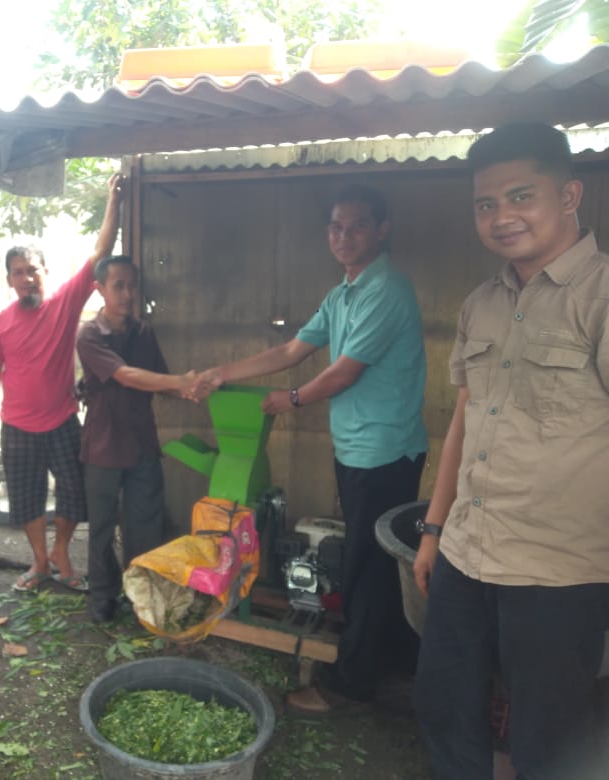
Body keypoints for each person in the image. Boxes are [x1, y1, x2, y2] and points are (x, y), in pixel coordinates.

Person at [412, 123, 609, 780]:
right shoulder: (481, 305)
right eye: (486, 204)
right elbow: (465, 421)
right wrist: (435, 529)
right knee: (445, 710)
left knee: (548, 743)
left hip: (560, 571)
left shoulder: (601, 298)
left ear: (570, 195)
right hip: (468, 552)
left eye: (521, 196)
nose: (501, 217)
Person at [194, 183, 428, 712]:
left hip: (385, 450)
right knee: (374, 563)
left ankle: (349, 687)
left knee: (369, 567)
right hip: (357, 448)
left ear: (382, 229)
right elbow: (292, 348)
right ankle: (394, 660)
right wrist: (219, 373)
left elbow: (344, 373)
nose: (344, 236)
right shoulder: (342, 292)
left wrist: (290, 399)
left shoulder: (385, 289)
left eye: (358, 225)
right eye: (336, 226)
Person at [0, 174, 125, 592]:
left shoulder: (64, 304)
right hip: (17, 427)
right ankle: (40, 562)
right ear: (9, 280)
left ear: (46, 272)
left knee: (74, 494)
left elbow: (100, 250)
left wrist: (112, 201)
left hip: (63, 421)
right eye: (18, 272)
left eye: (33, 270)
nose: (27, 278)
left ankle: (62, 552)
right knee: (25, 499)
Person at [76, 255, 196, 622]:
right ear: (99, 290)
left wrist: (196, 387)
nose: (128, 294)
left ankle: (141, 595)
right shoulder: (90, 335)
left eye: (132, 285)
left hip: (142, 443)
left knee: (145, 524)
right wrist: (180, 382)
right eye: (119, 286)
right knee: (101, 527)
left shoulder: (143, 332)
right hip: (103, 445)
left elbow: (160, 379)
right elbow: (126, 376)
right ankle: (102, 595)